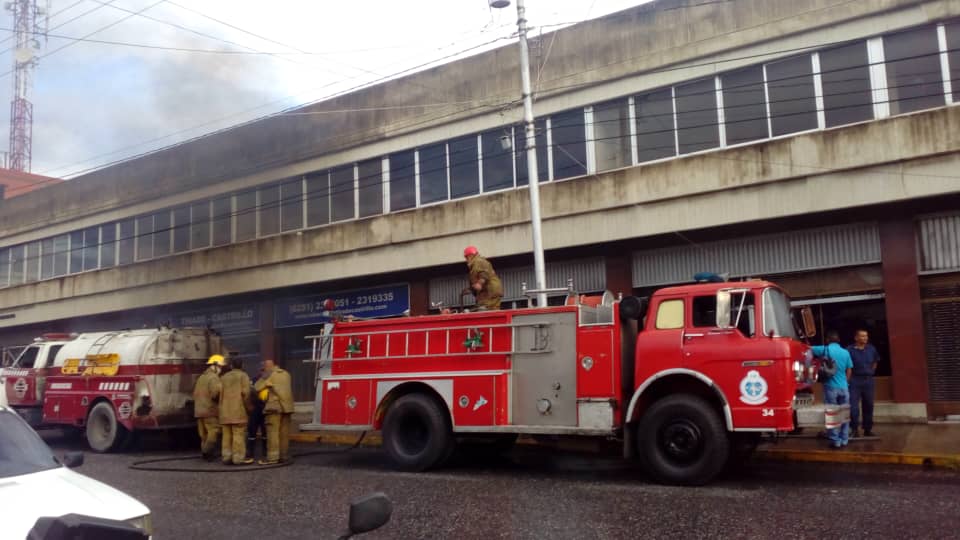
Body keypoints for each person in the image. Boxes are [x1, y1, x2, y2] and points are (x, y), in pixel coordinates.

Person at [811, 331, 853, 449]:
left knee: (832, 413)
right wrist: (846, 382)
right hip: (844, 388)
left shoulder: (824, 349)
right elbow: (849, 369)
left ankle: (836, 441)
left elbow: (806, 349)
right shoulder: (846, 352)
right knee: (844, 413)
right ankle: (844, 439)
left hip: (830, 387)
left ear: (828, 340)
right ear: (839, 340)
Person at [254, 359, 294, 465]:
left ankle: (272, 458)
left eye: (264, 367)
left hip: (274, 407)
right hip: (288, 407)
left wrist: (263, 376)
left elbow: (257, 387)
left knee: (273, 433)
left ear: (268, 366)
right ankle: (283, 456)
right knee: (284, 433)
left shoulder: (269, 374)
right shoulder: (286, 374)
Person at [219, 357, 253, 465]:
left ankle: (226, 457)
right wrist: (249, 408)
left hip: (225, 412)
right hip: (238, 411)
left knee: (226, 435)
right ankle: (238, 458)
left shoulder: (224, 377)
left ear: (231, 366)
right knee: (238, 434)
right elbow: (246, 394)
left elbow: (219, 394)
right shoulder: (243, 376)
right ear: (242, 365)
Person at [847, 329, 880, 438]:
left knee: (869, 405)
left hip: (868, 380)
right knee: (853, 406)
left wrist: (872, 372)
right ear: (856, 338)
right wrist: (848, 379)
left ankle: (867, 429)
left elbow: (875, 361)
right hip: (854, 380)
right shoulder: (850, 350)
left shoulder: (871, 349)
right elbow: (847, 366)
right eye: (862, 336)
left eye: (866, 336)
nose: (865, 338)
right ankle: (854, 429)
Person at [193, 354, 224, 461]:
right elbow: (216, 394)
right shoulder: (213, 378)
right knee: (214, 431)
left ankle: (206, 454)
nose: (221, 369)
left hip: (199, 411)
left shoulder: (201, 377)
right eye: (220, 366)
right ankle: (207, 452)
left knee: (204, 434)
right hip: (210, 411)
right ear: (214, 365)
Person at [462, 246, 503, 310]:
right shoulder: (475, 264)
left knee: (486, 309)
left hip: (489, 292)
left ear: (470, 255)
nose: (466, 259)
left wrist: (479, 283)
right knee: (487, 309)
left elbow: (484, 273)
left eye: (466, 257)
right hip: (488, 292)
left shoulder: (478, 261)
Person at [246, 364, 267, 460]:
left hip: (266, 409)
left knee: (265, 431)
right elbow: (249, 393)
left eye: (264, 370)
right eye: (261, 370)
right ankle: (250, 452)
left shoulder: (270, 380)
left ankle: (265, 451)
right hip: (255, 409)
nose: (263, 372)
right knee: (252, 431)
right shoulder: (253, 381)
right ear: (258, 370)